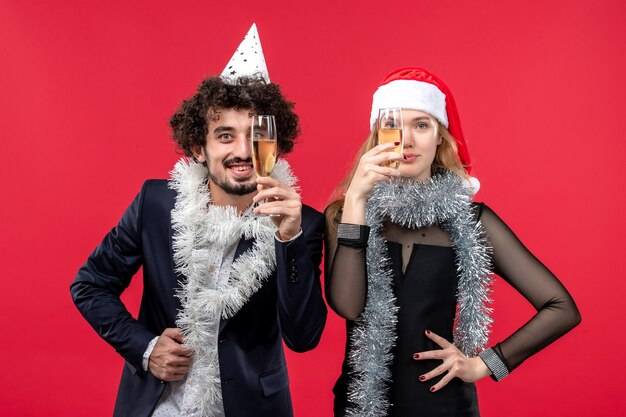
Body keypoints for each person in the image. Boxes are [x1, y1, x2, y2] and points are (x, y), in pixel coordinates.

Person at [70, 24, 326, 417]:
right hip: (158, 406)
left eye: (255, 134)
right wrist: (146, 347)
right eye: (225, 135)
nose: (243, 151)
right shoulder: (155, 204)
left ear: (276, 143)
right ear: (198, 148)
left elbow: (303, 337)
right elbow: (90, 285)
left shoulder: (303, 224)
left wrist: (288, 239)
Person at [324, 67, 581, 417]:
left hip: (444, 407)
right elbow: (348, 305)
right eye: (394, 125)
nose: (407, 140)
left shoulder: (472, 221)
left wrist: (486, 364)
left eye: (421, 125)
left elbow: (561, 308)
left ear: (440, 138)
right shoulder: (343, 214)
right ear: (377, 137)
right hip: (359, 407)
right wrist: (356, 199)